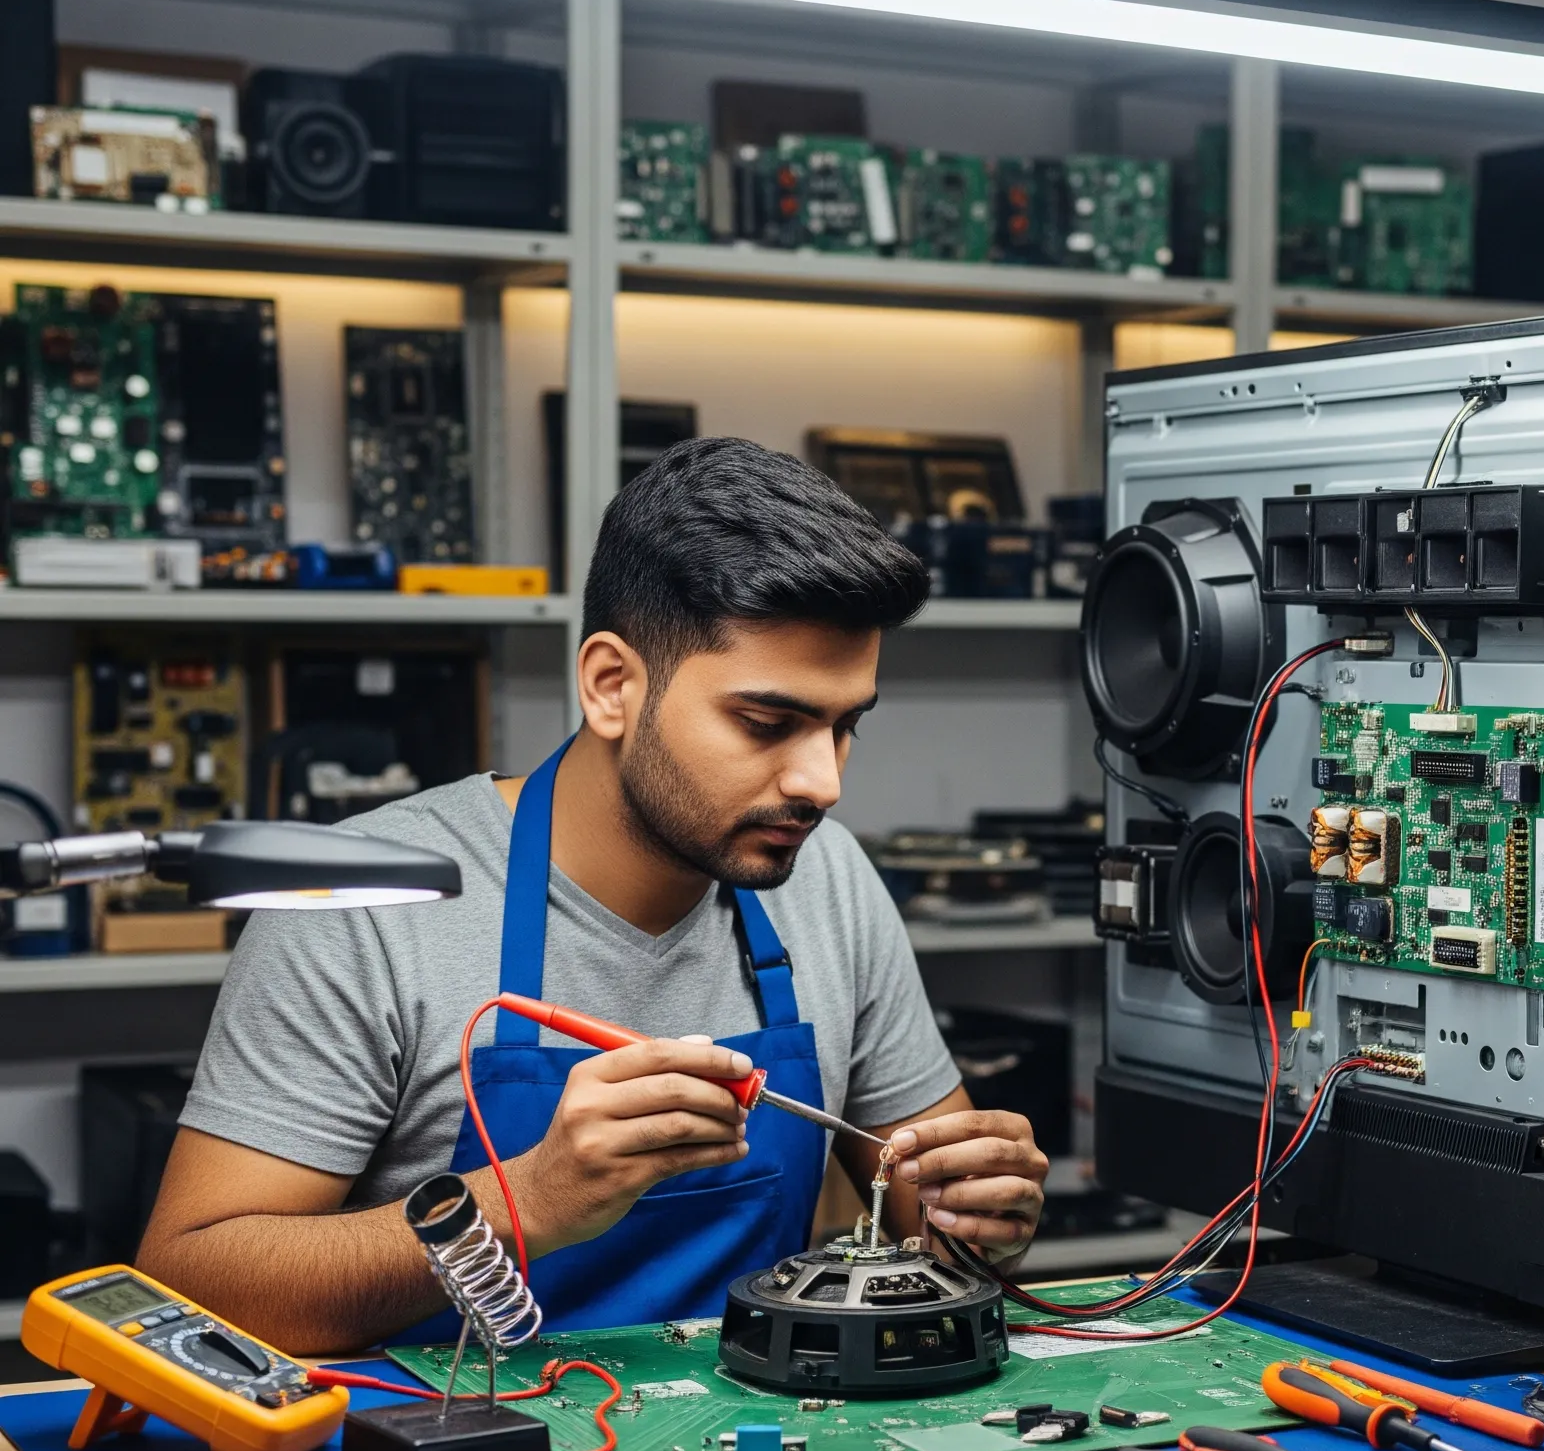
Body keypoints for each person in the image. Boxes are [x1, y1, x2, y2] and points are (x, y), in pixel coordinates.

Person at [138, 437, 1051, 1353]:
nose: (823, 782)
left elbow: (937, 1239)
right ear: (612, 685)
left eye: (845, 726)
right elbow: (193, 1287)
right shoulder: (369, 906)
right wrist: (525, 1204)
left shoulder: (830, 878)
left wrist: (978, 1218)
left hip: (767, 1444)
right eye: (768, 723)